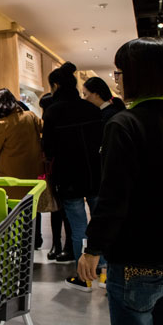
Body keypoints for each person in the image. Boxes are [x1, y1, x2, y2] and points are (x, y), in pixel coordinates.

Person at [78, 37, 163, 324]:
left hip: (137, 260)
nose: (117, 80)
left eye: (119, 72)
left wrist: (92, 249)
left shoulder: (124, 124)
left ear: (137, 74)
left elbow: (113, 196)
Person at [42, 61, 105, 292]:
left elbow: (48, 149)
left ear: (56, 86)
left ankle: (85, 278)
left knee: (79, 227)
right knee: (100, 223)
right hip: (96, 176)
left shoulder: (53, 112)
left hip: (69, 179)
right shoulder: (90, 109)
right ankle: (104, 274)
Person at [0, 88, 44, 249]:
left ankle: (17, 242)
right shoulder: (30, 116)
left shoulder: (2, 124)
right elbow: (44, 130)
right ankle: (34, 240)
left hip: (10, 178)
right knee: (32, 208)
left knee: (12, 210)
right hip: (32, 173)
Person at [39, 92, 74, 263]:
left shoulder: (53, 119)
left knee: (62, 209)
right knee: (59, 208)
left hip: (58, 170)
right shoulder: (53, 119)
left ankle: (64, 246)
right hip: (55, 170)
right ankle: (60, 245)